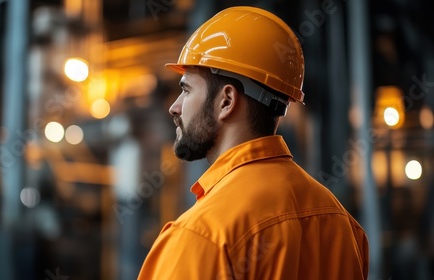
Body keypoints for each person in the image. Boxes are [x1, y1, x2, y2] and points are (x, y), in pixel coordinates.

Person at [138, 6, 369, 280]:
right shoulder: (343, 226)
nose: (174, 108)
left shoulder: (203, 235)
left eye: (186, 89)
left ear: (226, 101)